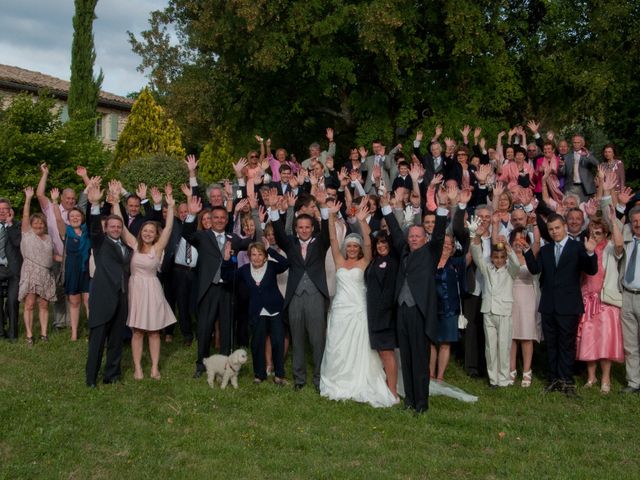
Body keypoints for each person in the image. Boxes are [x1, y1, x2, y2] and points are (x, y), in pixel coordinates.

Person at [320, 200, 396, 407]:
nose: (352, 249)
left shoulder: (365, 262)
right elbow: (333, 239)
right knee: (338, 346)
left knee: (360, 348)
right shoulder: (338, 261)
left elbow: (370, 242)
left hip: (359, 311)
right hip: (340, 311)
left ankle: (362, 380)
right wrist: (331, 216)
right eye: (349, 246)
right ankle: (338, 380)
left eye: (355, 246)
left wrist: (362, 221)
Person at [381, 187, 448, 413]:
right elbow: (395, 232)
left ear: (424, 238)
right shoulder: (404, 251)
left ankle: (422, 403)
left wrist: (442, 207)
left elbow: (439, 233)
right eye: (412, 237)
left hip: (420, 311)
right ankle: (409, 400)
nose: (414, 239)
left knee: (420, 360)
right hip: (402, 310)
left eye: (418, 236)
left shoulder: (431, 252)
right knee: (407, 358)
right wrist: (386, 207)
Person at [522, 213, 598, 396]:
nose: (554, 232)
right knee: (552, 344)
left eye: (557, 228)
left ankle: (566, 380)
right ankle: (553, 379)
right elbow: (535, 270)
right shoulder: (546, 250)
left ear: (564, 226)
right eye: (551, 229)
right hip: (549, 304)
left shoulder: (577, 246)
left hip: (569, 305)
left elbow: (591, 270)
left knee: (567, 344)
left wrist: (589, 252)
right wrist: (527, 253)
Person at [110, 181, 177, 380]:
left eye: (151, 231)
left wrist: (171, 207)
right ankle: (138, 367)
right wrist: (115, 202)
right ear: (141, 233)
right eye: (145, 230)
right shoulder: (134, 244)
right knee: (137, 330)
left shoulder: (158, 247)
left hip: (153, 289)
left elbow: (169, 228)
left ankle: (155, 367)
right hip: (136, 289)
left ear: (156, 234)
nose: (148, 233)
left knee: (154, 331)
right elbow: (120, 225)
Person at [268, 188, 331, 391]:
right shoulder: (290, 244)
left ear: (313, 228)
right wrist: (274, 209)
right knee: (297, 338)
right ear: (296, 229)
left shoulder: (320, 243)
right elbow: (277, 232)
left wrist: (322, 207)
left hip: (315, 296)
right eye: (300, 227)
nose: (304, 230)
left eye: (307, 227)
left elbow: (328, 232)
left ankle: (320, 378)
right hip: (295, 296)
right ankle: (299, 379)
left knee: (317, 340)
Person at [182, 197, 252, 378]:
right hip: (209, 289)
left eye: (223, 218)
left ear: (227, 220)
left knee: (228, 328)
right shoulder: (202, 236)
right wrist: (191, 214)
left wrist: (252, 232)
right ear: (210, 220)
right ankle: (201, 364)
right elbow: (186, 234)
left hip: (228, 290)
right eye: (216, 217)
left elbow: (248, 243)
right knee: (205, 328)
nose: (220, 220)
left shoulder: (233, 238)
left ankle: (226, 365)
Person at [85, 184, 132, 388]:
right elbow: (93, 228)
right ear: (106, 228)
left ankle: (111, 375)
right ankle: (91, 379)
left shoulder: (127, 247)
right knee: (97, 342)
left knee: (116, 340)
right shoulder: (100, 242)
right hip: (103, 298)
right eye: (112, 226)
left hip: (122, 298)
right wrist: (94, 204)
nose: (115, 229)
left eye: (118, 227)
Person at [576, 218, 624, 393]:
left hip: (605, 302)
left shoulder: (611, 248)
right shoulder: (585, 249)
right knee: (588, 340)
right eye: (592, 232)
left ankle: (605, 378)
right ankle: (591, 377)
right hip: (587, 299)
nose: (595, 236)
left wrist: (613, 221)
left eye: (598, 233)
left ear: (605, 234)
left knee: (605, 341)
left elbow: (619, 246)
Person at [470, 221, 521, 388]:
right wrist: (477, 236)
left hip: (504, 311)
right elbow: (477, 255)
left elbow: (516, 263)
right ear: (492, 257)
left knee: (504, 346)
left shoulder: (510, 271)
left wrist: (507, 247)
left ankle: (504, 378)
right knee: (490, 347)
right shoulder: (487, 269)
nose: (498, 260)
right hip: (488, 310)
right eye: (496, 257)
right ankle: (493, 379)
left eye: (501, 257)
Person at [231, 241, 289, 385]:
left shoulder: (271, 266)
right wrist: (228, 259)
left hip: (274, 310)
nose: (256, 258)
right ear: (249, 256)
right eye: (253, 254)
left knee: (277, 342)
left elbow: (286, 263)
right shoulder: (244, 269)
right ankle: (259, 374)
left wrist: (271, 249)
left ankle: (279, 375)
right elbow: (228, 277)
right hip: (256, 311)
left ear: (265, 256)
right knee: (257, 343)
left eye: (260, 254)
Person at [50, 188, 91, 341]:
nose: (74, 218)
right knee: (74, 302)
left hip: (87, 270)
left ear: (82, 217)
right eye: (72, 216)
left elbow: (90, 207)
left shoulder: (88, 230)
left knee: (88, 302)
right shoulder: (66, 232)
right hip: (72, 270)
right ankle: (74, 332)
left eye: (77, 215)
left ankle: (92, 331)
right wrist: (54, 202)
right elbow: (58, 219)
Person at [18, 187, 58, 344]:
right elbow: (26, 216)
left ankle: (44, 334)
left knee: (44, 304)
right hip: (31, 272)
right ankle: (29, 335)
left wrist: (67, 258)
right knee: (29, 304)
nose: (38, 225)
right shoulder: (27, 234)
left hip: (46, 274)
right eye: (35, 223)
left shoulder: (48, 238)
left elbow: (52, 256)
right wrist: (28, 198)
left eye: (41, 223)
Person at [365, 233, 399, 398]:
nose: (381, 246)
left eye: (384, 243)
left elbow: (390, 291)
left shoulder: (392, 264)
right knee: (381, 353)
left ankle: (392, 391)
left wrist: (383, 313)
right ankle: (386, 386)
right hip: (372, 314)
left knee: (387, 353)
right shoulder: (373, 261)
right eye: (378, 243)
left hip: (385, 315)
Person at [432, 234, 467, 383]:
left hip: (450, 308)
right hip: (432, 307)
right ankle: (430, 374)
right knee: (431, 342)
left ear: (453, 248)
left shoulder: (457, 262)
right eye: (444, 243)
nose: (446, 246)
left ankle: (440, 376)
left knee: (445, 343)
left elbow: (472, 253)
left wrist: (474, 235)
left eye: (449, 244)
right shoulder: (430, 261)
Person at [509, 227, 541, 388]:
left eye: (522, 239)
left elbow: (537, 241)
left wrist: (535, 225)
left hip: (528, 296)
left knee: (526, 335)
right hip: (510, 297)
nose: (518, 242)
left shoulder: (531, 257)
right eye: (516, 239)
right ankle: (511, 369)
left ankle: (527, 371)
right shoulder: (507, 257)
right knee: (512, 335)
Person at [0, 197, 22, 341]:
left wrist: (9, 224)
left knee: (13, 301)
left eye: (5, 209)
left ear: (10, 210)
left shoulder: (17, 225)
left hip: (13, 269)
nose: (2, 212)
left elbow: (17, 242)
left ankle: (13, 334)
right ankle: (1, 332)